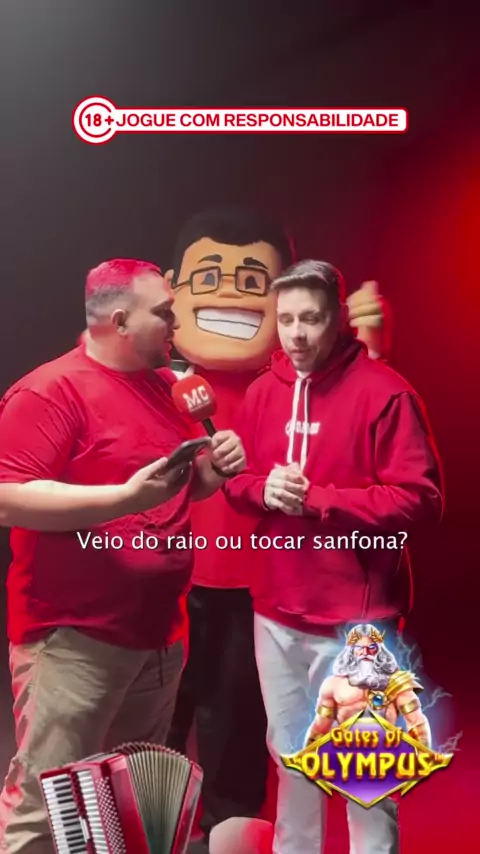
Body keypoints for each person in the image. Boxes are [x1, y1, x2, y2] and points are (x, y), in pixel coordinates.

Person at [0, 258, 246, 854]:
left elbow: (177, 490)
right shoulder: (50, 390)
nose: (176, 324)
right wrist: (124, 498)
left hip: (159, 638)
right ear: (118, 321)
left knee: (128, 803)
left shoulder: (167, 387)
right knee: (47, 808)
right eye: (163, 313)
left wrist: (214, 472)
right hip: (74, 640)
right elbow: (8, 498)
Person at [164, 207, 391, 842]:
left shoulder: (285, 387)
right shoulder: (165, 382)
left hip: (261, 585)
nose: (232, 295)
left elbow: (363, 445)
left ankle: (230, 834)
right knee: (156, 720)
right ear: (172, 290)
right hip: (166, 577)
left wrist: (370, 356)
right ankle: (147, 828)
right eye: (210, 277)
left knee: (243, 726)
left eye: (253, 282)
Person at [223, 259, 443, 854]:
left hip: (358, 620)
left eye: (311, 319)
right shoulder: (263, 391)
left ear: (339, 318)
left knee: (366, 770)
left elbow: (421, 499)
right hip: (275, 608)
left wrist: (319, 500)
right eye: (285, 319)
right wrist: (262, 489)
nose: (295, 334)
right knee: (291, 756)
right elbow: (236, 483)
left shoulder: (385, 392)